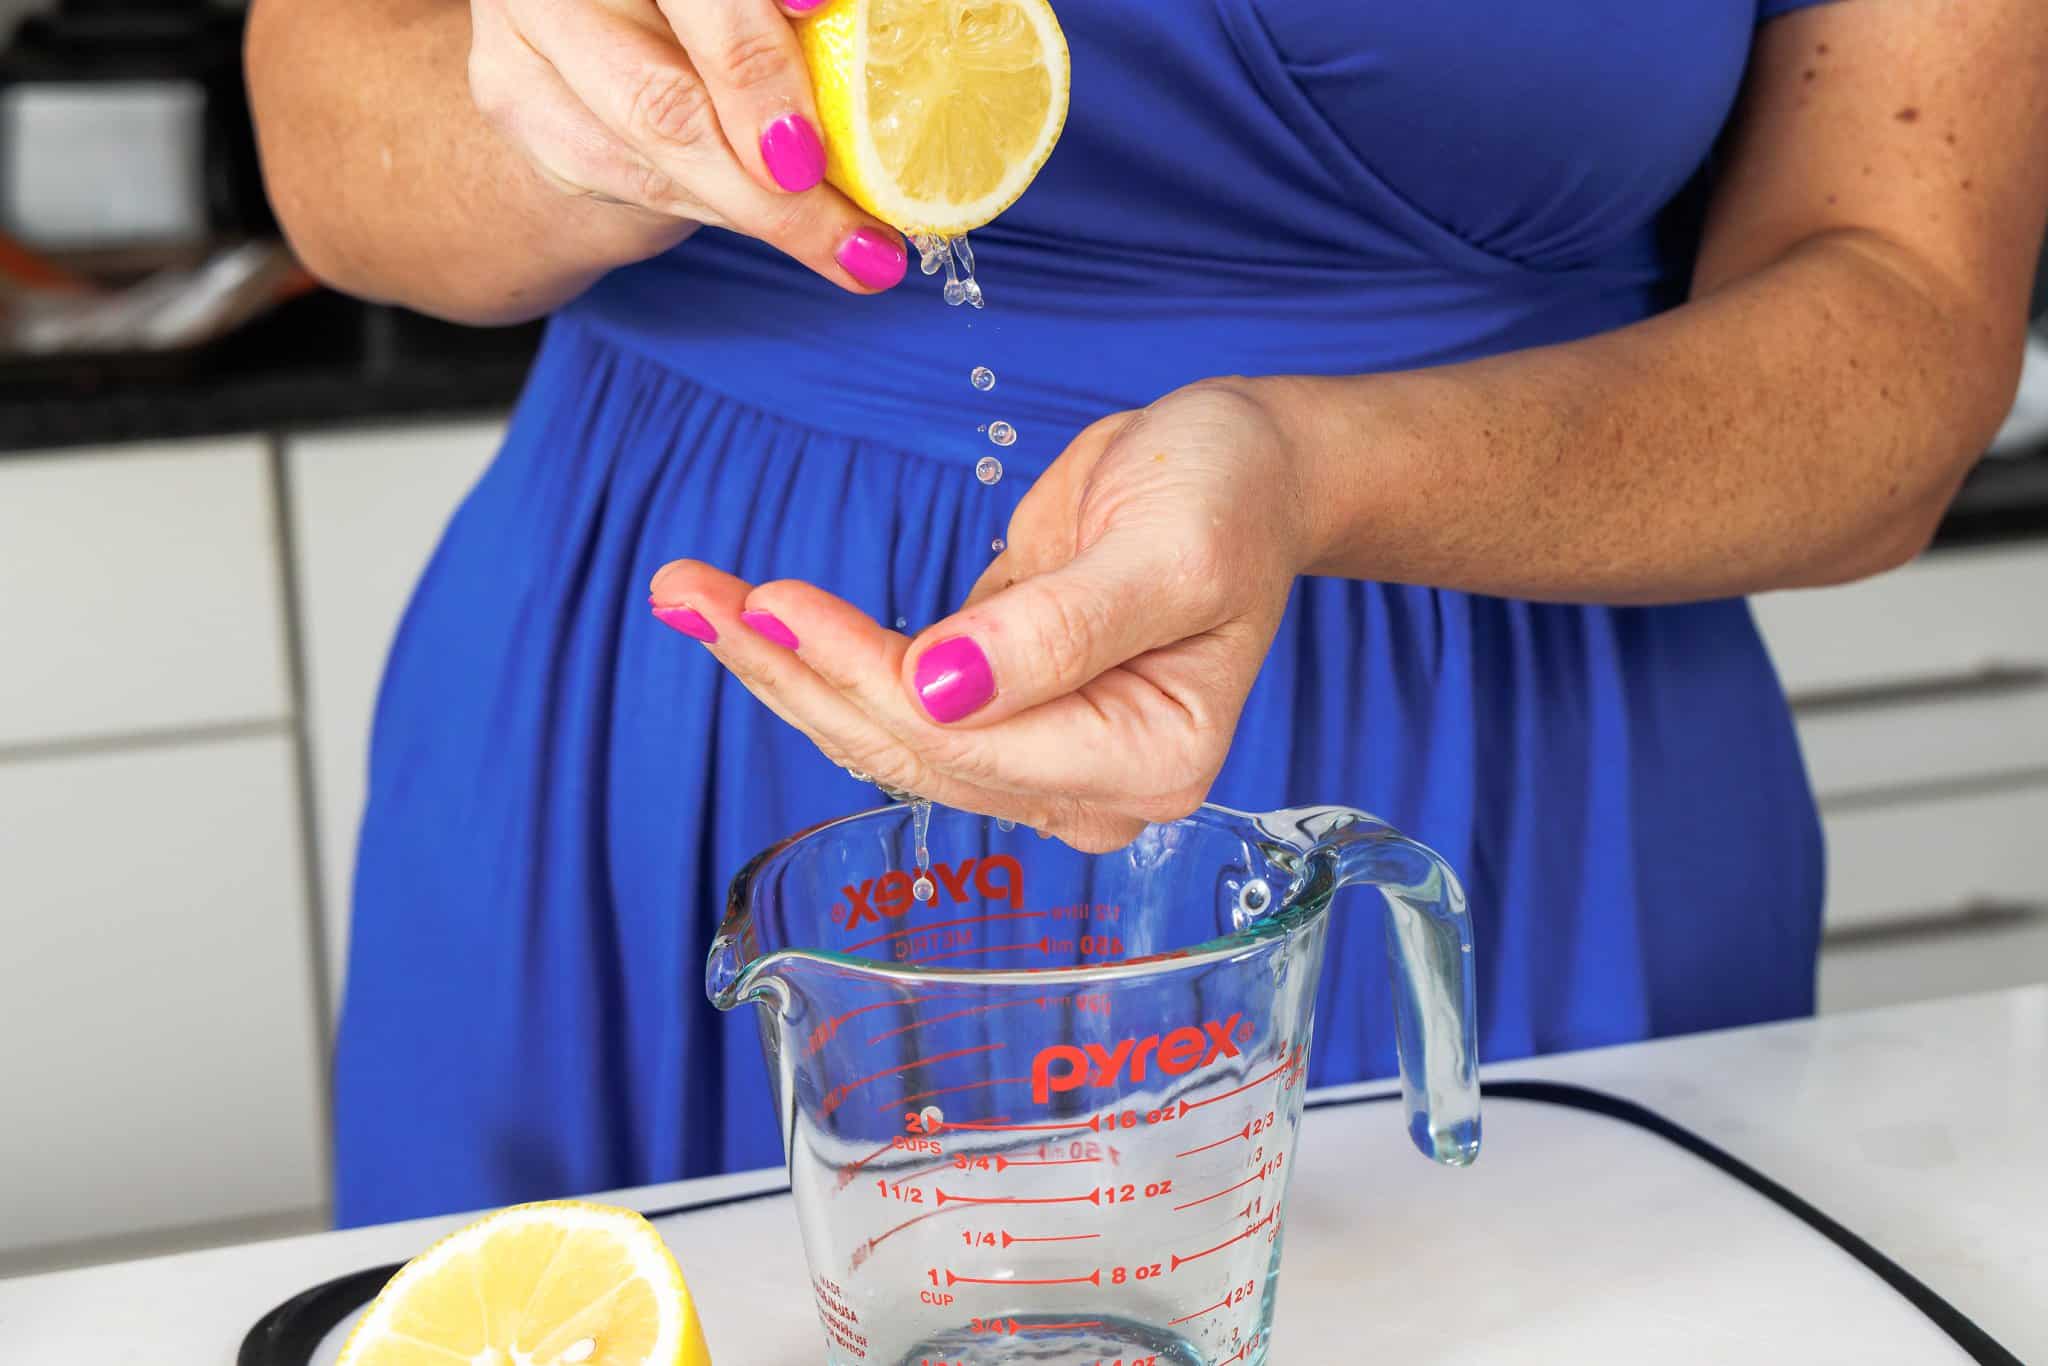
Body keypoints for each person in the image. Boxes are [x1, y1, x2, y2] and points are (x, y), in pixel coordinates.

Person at [248, 0, 2048, 1228]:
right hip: (666, 712)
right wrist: (592, 119)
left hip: (1500, 736)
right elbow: (331, 154)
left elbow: (1897, 319)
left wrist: (1320, 463)